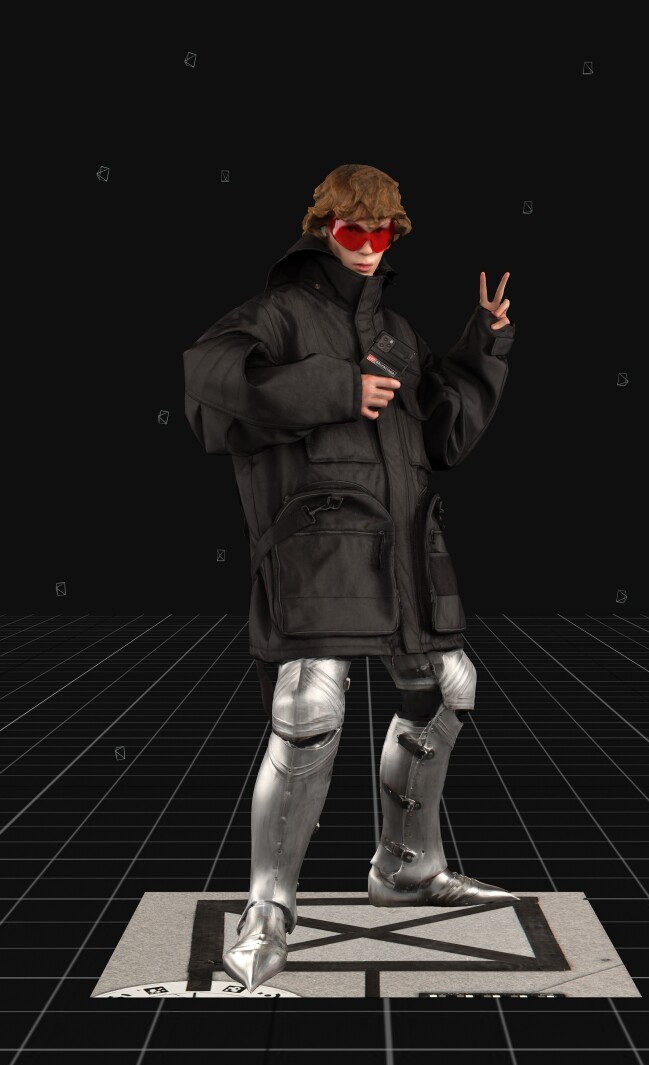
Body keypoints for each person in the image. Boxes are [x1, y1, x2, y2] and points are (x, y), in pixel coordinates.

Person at [183, 164, 518, 993]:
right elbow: (208, 384)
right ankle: (268, 909)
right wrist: (335, 387)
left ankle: (407, 869)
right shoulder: (275, 313)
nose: (369, 246)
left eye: (383, 232)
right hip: (318, 550)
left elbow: (442, 437)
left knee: (446, 689)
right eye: (353, 230)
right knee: (309, 708)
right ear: (323, 228)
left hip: (407, 551)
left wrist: (482, 345)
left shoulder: (398, 332)